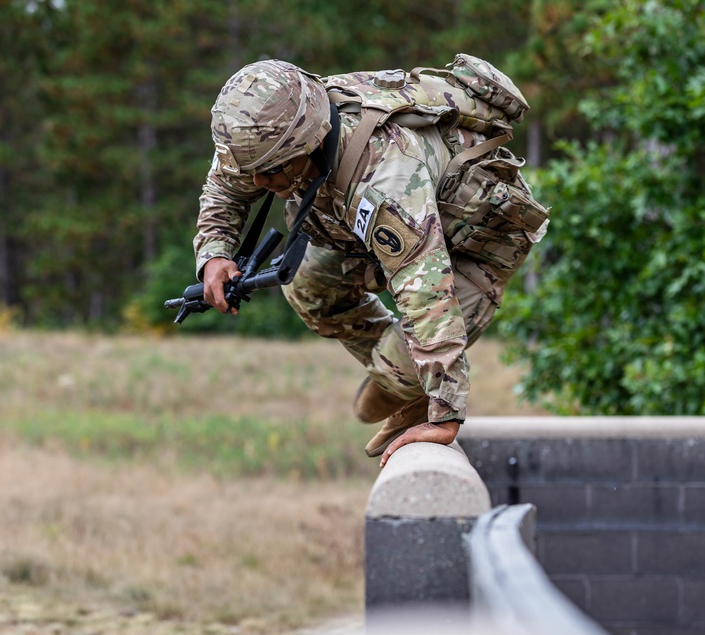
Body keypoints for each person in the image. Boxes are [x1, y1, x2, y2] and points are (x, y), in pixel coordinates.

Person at [193, 59, 548, 467]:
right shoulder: (280, 131)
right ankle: (398, 376)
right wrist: (215, 252)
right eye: (251, 170)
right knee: (307, 286)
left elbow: (424, 289)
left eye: (270, 171)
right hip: (376, 233)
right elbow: (226, 184)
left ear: (308, 143)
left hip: (473, 246)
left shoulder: (385, 176)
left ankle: (404, 378)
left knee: (405, 370)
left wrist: (445, 413)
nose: (258, 183)